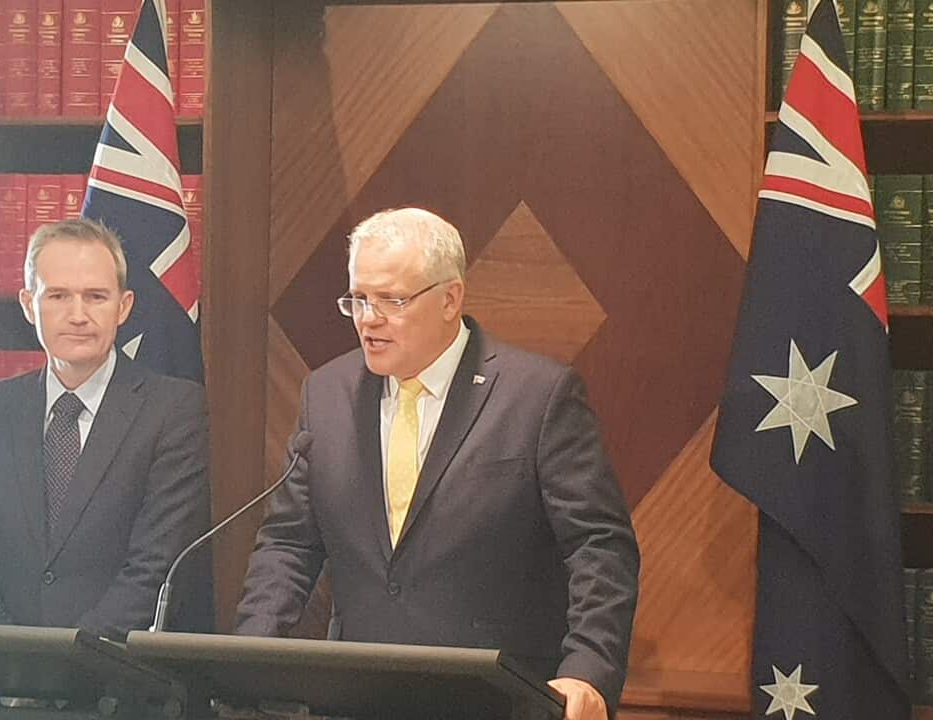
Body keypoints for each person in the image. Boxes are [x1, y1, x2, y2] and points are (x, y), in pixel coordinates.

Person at [234, 208, 639, 720]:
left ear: (451, 298)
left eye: (391, 300)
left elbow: (599, 547)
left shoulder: (537, 396)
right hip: (357, 699)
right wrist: (249, 658)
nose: (368, 318)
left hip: (494, 699)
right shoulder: (327, 393)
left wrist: (588, 670)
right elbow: (289, 544)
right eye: (357, 299)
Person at [0, 218, 213, 638]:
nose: (78, 315)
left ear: (123, 307)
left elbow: (153, 571)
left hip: (113, 686)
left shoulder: (173, 411)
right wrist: (9, 667)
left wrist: (64, 668)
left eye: (96, 297)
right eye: (59, 296)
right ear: (29, 305)